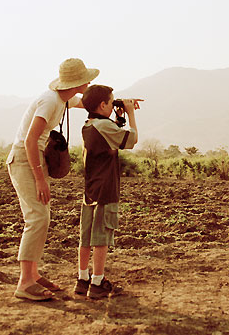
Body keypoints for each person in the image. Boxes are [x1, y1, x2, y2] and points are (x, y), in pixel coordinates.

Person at [8, 58, 99, 301]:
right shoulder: (49, 101)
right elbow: (29, 140)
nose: (90, 81)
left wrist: (118, 102)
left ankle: (33, 274)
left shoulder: (64, 98)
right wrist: (39, 178)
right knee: (37, 217)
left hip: (35, 158)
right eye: (86, 78)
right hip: (25, 158)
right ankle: (24, 282)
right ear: (77, 81)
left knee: (41, 216)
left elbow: (85, 103)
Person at [74, 84, 140, 299]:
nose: (114, 106)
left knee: (86, 237)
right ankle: (97, 282)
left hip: (91, 189)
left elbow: (112, 137)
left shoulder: (90, 125)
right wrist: (129, 114)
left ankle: (83, 279)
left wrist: (117, 116)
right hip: (106, 190)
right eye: (111, 103)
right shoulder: (104, 126)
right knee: (101, 237)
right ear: (102, 105)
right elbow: (131, 139)